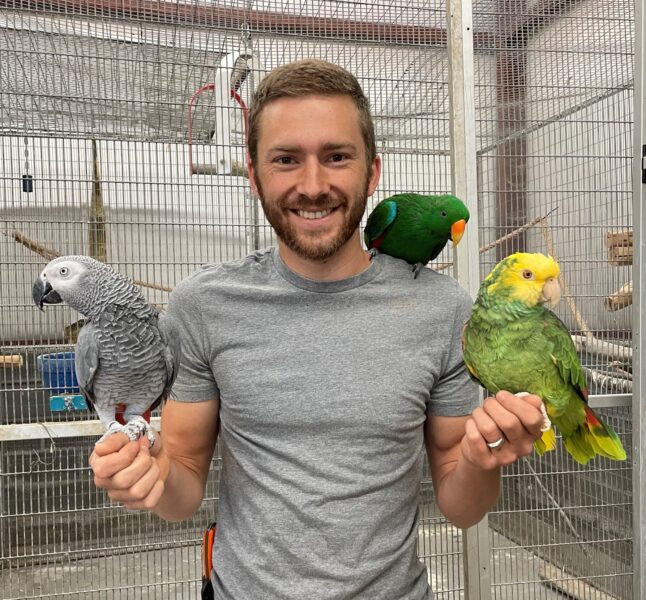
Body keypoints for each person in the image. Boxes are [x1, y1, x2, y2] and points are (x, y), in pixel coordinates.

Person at [89, 59, 546, 599]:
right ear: (255, 175)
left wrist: (479, 458)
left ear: (372, 173)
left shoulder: (442, 308)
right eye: (286, 159)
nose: (313, 185)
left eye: (336, 157)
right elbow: (184, 480)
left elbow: (462, 505)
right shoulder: (204, 305)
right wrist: (151, 473)